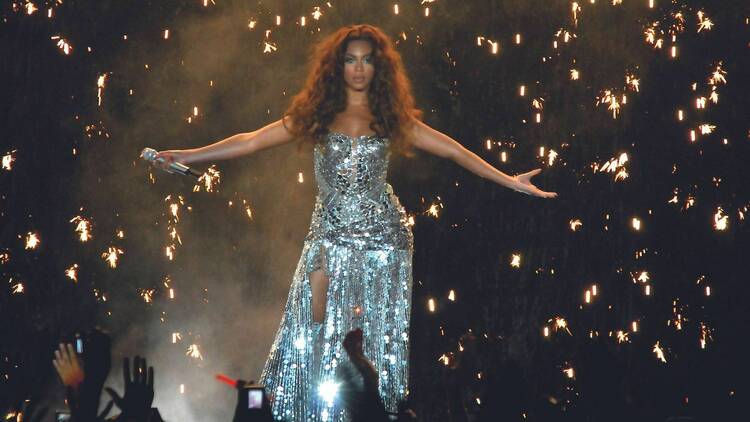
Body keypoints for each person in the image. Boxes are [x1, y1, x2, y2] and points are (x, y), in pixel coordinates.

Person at [152, 24, 556, 421]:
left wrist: (510, 182)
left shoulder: (391, 119)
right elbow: (251, 139)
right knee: (311, 331)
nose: (359, 69)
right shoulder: (316, 116)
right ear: (337, 67)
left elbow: (454, 150)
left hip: (384, 240)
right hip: (328, 238)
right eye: (350, 60)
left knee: (372, 345)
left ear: (379, 68)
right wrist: (189, 155)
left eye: (366, 61)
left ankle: (372, 414)